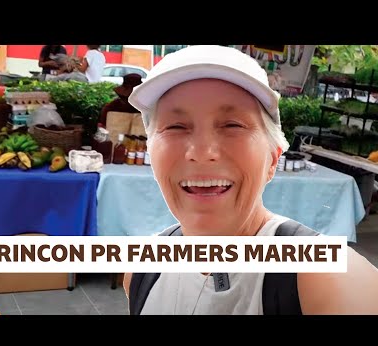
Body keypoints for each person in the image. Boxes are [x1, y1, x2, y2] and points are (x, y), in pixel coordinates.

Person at [123, 45, 378, 315]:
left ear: (271, 159)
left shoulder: (326, 281)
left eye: (232, 125)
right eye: (175, 127)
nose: (201, 153)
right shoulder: (141, 272)